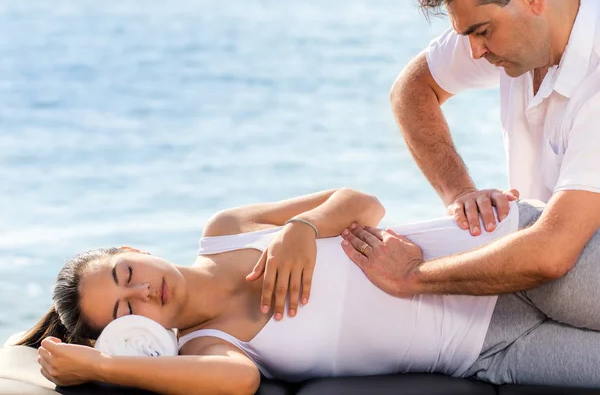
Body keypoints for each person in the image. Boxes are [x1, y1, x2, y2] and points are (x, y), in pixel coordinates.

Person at [14, 188, 600, 394]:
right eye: (125, 309)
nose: (143, 291)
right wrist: (102, 368)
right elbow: (238, 383)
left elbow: (364, 203)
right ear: (126, 330)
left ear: (133, 251)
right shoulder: (205, 348)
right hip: (490, 353)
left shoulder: (224, 233)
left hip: (506, 254)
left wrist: (303, 229)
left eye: (125, 275)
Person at [340, 0, 600, 303]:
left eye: (483, 31)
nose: (475, 51)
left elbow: (553, 252)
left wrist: (413, 275)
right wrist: (458, 192)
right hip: (542, 273)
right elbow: (412, 89)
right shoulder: (523, 29)